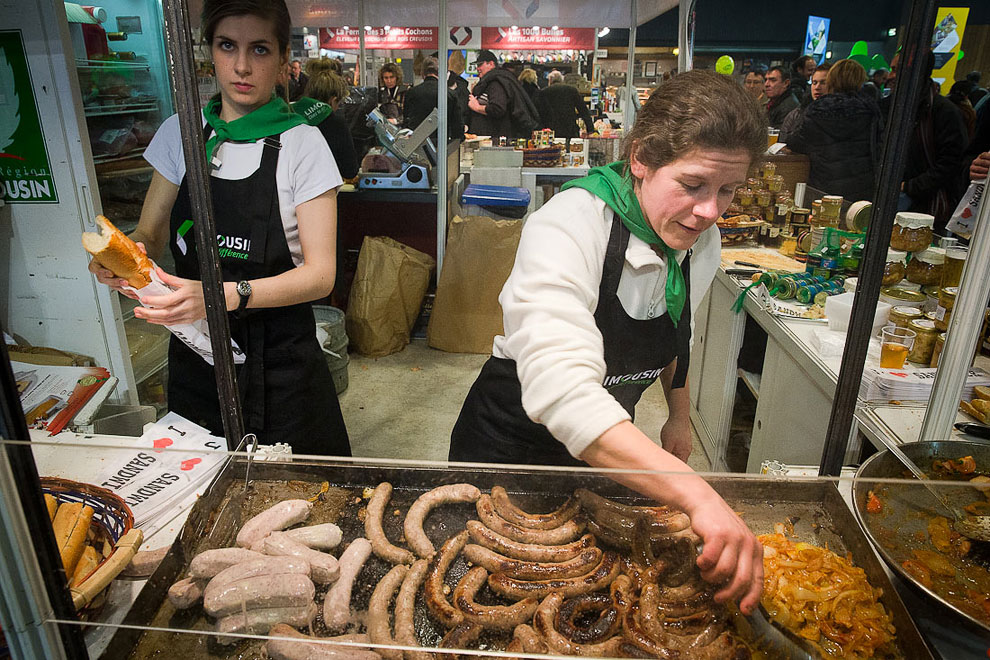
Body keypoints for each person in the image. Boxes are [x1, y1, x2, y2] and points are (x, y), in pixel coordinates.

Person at [449, 70, 766, 615]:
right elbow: (566, 394)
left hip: (607, 458)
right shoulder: (569, 224)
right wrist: (696, 492)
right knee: (493, 596)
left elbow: (674, 330)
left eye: (728, 190)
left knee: (584, 600)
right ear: (640, 157)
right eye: (693, 185)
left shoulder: (699, 237)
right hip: (510, 449)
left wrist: (679, 415)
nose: (712, 210)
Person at [87, 0, 350, 456]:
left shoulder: (302, 144)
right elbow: (150, 232)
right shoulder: (182, 132)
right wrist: (125, 258)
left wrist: (220, 295)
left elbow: (321, 274)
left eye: (261, 49)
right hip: (197, 357)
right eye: (228, 46)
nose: (242, 66)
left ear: (285, 59)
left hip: (281, 363)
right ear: (210, 51)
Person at [885, 51, 968, 232]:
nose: (890, 76)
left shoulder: (944, 112)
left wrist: (909, 186)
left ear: (917, 73)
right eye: (891, 69)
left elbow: (950, 164)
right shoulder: (889, 107)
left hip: (929, 210)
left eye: (896, 70)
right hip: (890, 201)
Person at [787, 59, 882, 202]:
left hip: (824, 187)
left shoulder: (818, 110)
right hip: (862, 188)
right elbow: (878, 148)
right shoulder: (871, 110)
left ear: (832, 80)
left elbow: (796, 142)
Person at [298, 63, 359, 179]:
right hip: (323, 191)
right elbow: (350, 170)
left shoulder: (292, 117)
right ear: (333, 100)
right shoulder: (336, 124)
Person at [467, 49, 539, 141]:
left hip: (494, 139)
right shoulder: (494, 81)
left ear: (491, 64)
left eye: (480, 64)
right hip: (493, 138)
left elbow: (498, 108)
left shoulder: (496, 83)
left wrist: (477, 107)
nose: (477, 68)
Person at [403, 56, 465, 141]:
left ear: (422, 73)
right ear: (441, 73)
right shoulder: (450, 94)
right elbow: (457, 127)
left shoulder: (411, 92)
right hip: (441, 144)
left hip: (416, 144)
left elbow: (406, 123)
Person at [535, 70, 596, 139]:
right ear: (562, 80)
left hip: (551, 130)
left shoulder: (544, 92)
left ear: (550, 81)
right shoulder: (572, 90)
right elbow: (583, 110)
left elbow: (540, 112)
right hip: (570, 129)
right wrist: (590, 129)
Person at [779, 64, 829, 143]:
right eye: (814, 82)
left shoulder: (837, 116)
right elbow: (782, 143)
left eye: (823, 83)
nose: (817, 87)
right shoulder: (796, 114)